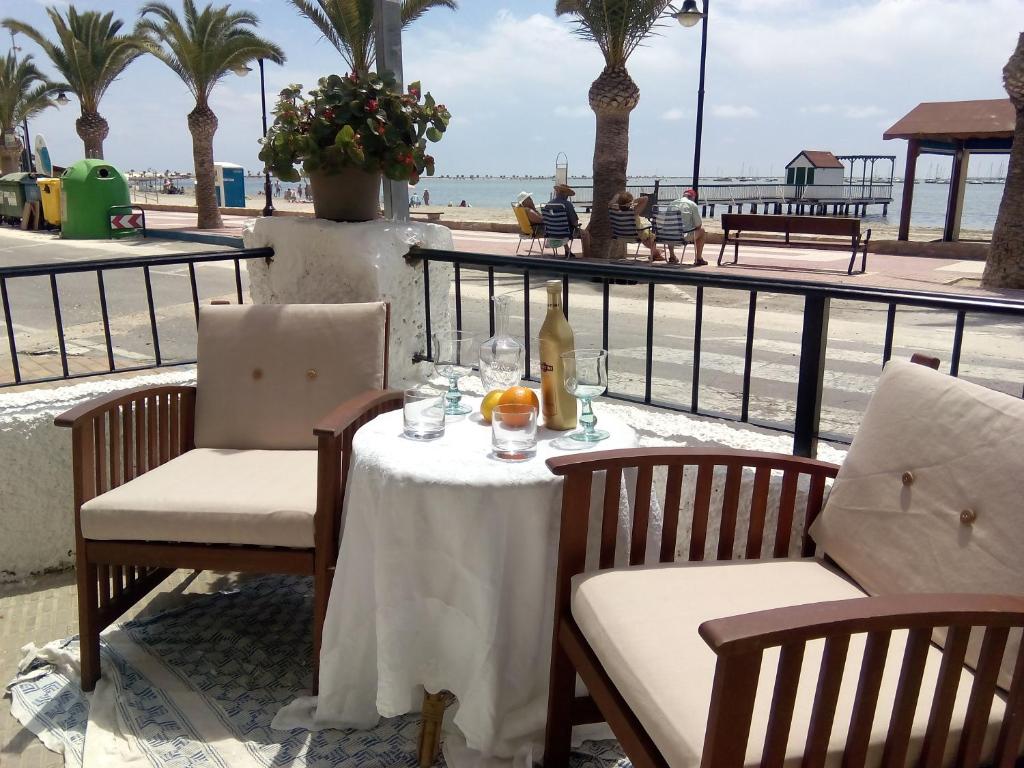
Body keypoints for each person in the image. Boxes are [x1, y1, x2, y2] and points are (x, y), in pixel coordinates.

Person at [610, 191, 663, 261]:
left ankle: (656, 253)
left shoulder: (614, 211)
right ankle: (655, 253)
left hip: (620, 234)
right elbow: (645, 198)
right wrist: (633, 201)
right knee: (651, 235)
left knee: (646, 236)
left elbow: (611, 203)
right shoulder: (633, 212)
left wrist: (617, 196)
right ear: (629, 203)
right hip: (637, 235)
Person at [666, 188, 708, 266]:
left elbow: (667, 222)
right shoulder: (692, 204)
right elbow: (698, 225)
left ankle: (672, 256)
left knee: (672, 228)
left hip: (668, 236)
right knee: (702, 231)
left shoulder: (672, 203)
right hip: (682, 237)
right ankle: (698, 258)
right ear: (693, 197)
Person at [548, 183, 591, 258]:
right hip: (566, 232)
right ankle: (587, 257)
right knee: (585, 234)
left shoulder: (549, 204)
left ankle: (567, 251)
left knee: (561, 226)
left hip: (551, 232)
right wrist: (577, 225)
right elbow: (575, 223)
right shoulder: (567, 204)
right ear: (565, 194)